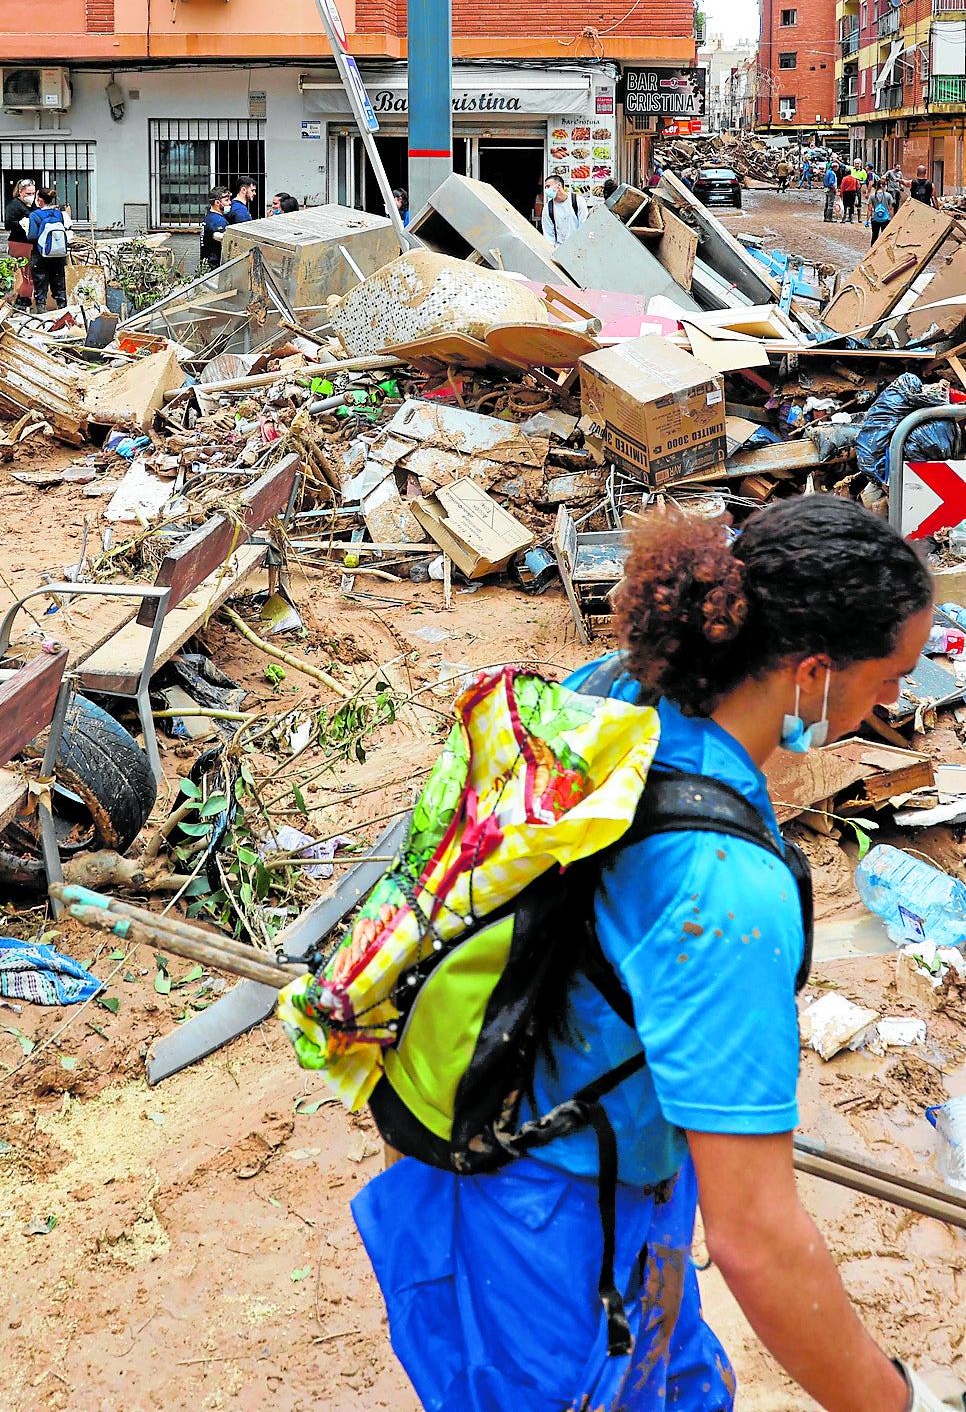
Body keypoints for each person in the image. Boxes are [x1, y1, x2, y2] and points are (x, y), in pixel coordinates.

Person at [351, 494, 949, 1412]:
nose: (899, 700)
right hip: (550, 1223)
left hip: (547, 1150)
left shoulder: (618, 697)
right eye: (890, 674)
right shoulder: (725, 889)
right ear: (814, 671)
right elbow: (757, 1236)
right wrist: (894, 1400)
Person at [25, 185, 69, 312]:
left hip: (40, 255)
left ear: (40, 199)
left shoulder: (35, 215)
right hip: (58, 254)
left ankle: (41, 311)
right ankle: (62, 309)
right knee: (59, 282)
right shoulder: (58, 214)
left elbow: (32, 236)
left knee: (40, 283)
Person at [3, 177, 38, 308]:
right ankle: (21, 302)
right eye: (28, 194)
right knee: (25, 275)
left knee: (30, 274)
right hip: (19, 243)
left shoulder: (33, 205)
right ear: (20, 192)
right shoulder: (14, 205)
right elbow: (8, 224)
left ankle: (26, 300)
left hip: (30, 243)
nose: (31, 196)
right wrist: (22, 224)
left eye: (33, 193)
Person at [540, 171, 587, 247]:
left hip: (578, 247)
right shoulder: (548, 208)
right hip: (559, 249)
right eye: (545, 187)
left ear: (558, 185)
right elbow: (548, 234)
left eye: (548, 186)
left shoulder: (578, 201)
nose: (546, 190)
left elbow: (584, 226)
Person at [199, 185, 232, 272]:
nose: (230, 203)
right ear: (217, 203)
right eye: (226, 200)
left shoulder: (209, 216)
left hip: (206, 265)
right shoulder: (217, 221)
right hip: (214, 267)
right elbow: (221, 238)